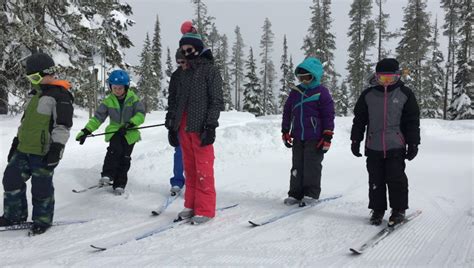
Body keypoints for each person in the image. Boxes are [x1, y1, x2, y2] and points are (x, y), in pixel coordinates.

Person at [0, 53, 74, 235]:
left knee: (42, 188)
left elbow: (62, 126)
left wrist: (57, 148)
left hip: (44, 152)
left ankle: (42, 220)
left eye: (35, 77)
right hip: (23, 149)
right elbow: (26, 123)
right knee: (11, 179)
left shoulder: (61, 96)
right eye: (31, 78)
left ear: (48, 73)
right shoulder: (34, 95)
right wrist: (16, 143)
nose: (33, 82)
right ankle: (14, 215)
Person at [350, 58, 420, 226]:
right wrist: (355, 140)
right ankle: (377, 209)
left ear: (397, 76)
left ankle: (398, 210)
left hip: (396, 145)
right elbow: (359, 120)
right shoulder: (368, 95)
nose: (386, 81)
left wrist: (413, 143)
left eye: (390, 78)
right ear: (376, 77)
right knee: (376, 180)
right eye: (383, 78)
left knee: (396, 179)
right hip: (373, 145)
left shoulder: (405, 93)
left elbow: (412, 120)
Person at [166, 21, 223, 225]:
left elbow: (216, 100)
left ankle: (205, 209)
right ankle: (190, 204)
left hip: (201, 127)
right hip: (183, 127)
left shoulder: (210, 71)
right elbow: (174, 101)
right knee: (189, 168)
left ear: (197, 49)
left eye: (189, 49)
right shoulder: (182, 73)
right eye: (183, 50)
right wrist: (171, 125)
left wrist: (211, 125)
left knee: (203, 169)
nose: (186, 53)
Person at [75, 69, 145, 195]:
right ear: (110, 87)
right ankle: (107, 174)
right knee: (114, 151)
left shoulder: (133, 99)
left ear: (126, 87)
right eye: (114, 88)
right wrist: (86, 130)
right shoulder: (108, 101)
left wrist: (131, 123)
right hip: (115, 131)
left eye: (120, 88)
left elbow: (141, 114)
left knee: (125, 157)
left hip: (130, 133)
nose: (117, 90)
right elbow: (98, 118)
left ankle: (120, 183)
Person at [281, 57, 335, 207]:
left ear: (315, 76)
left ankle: (310, 193)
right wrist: (285, 130)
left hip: (315, 137)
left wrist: (327, 135)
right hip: (298, 135)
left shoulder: (321, 92)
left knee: (312, 165)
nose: (304, 80)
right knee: (297, 165)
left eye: (307, 77)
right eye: (301, 77)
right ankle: (295, 193)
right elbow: (287, 111)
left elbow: (328, 115)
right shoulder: (295, 92)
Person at [166, 49, 187, 196]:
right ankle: (177, 181)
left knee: (194, 154)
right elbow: (172, 99)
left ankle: (195, 183)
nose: (181, 64)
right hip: (179, 120)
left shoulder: (198, 74)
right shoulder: (176, 75)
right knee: (179, 152)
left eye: (183, 61)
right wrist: (170, 120)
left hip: (194, 120)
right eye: (178, 62)